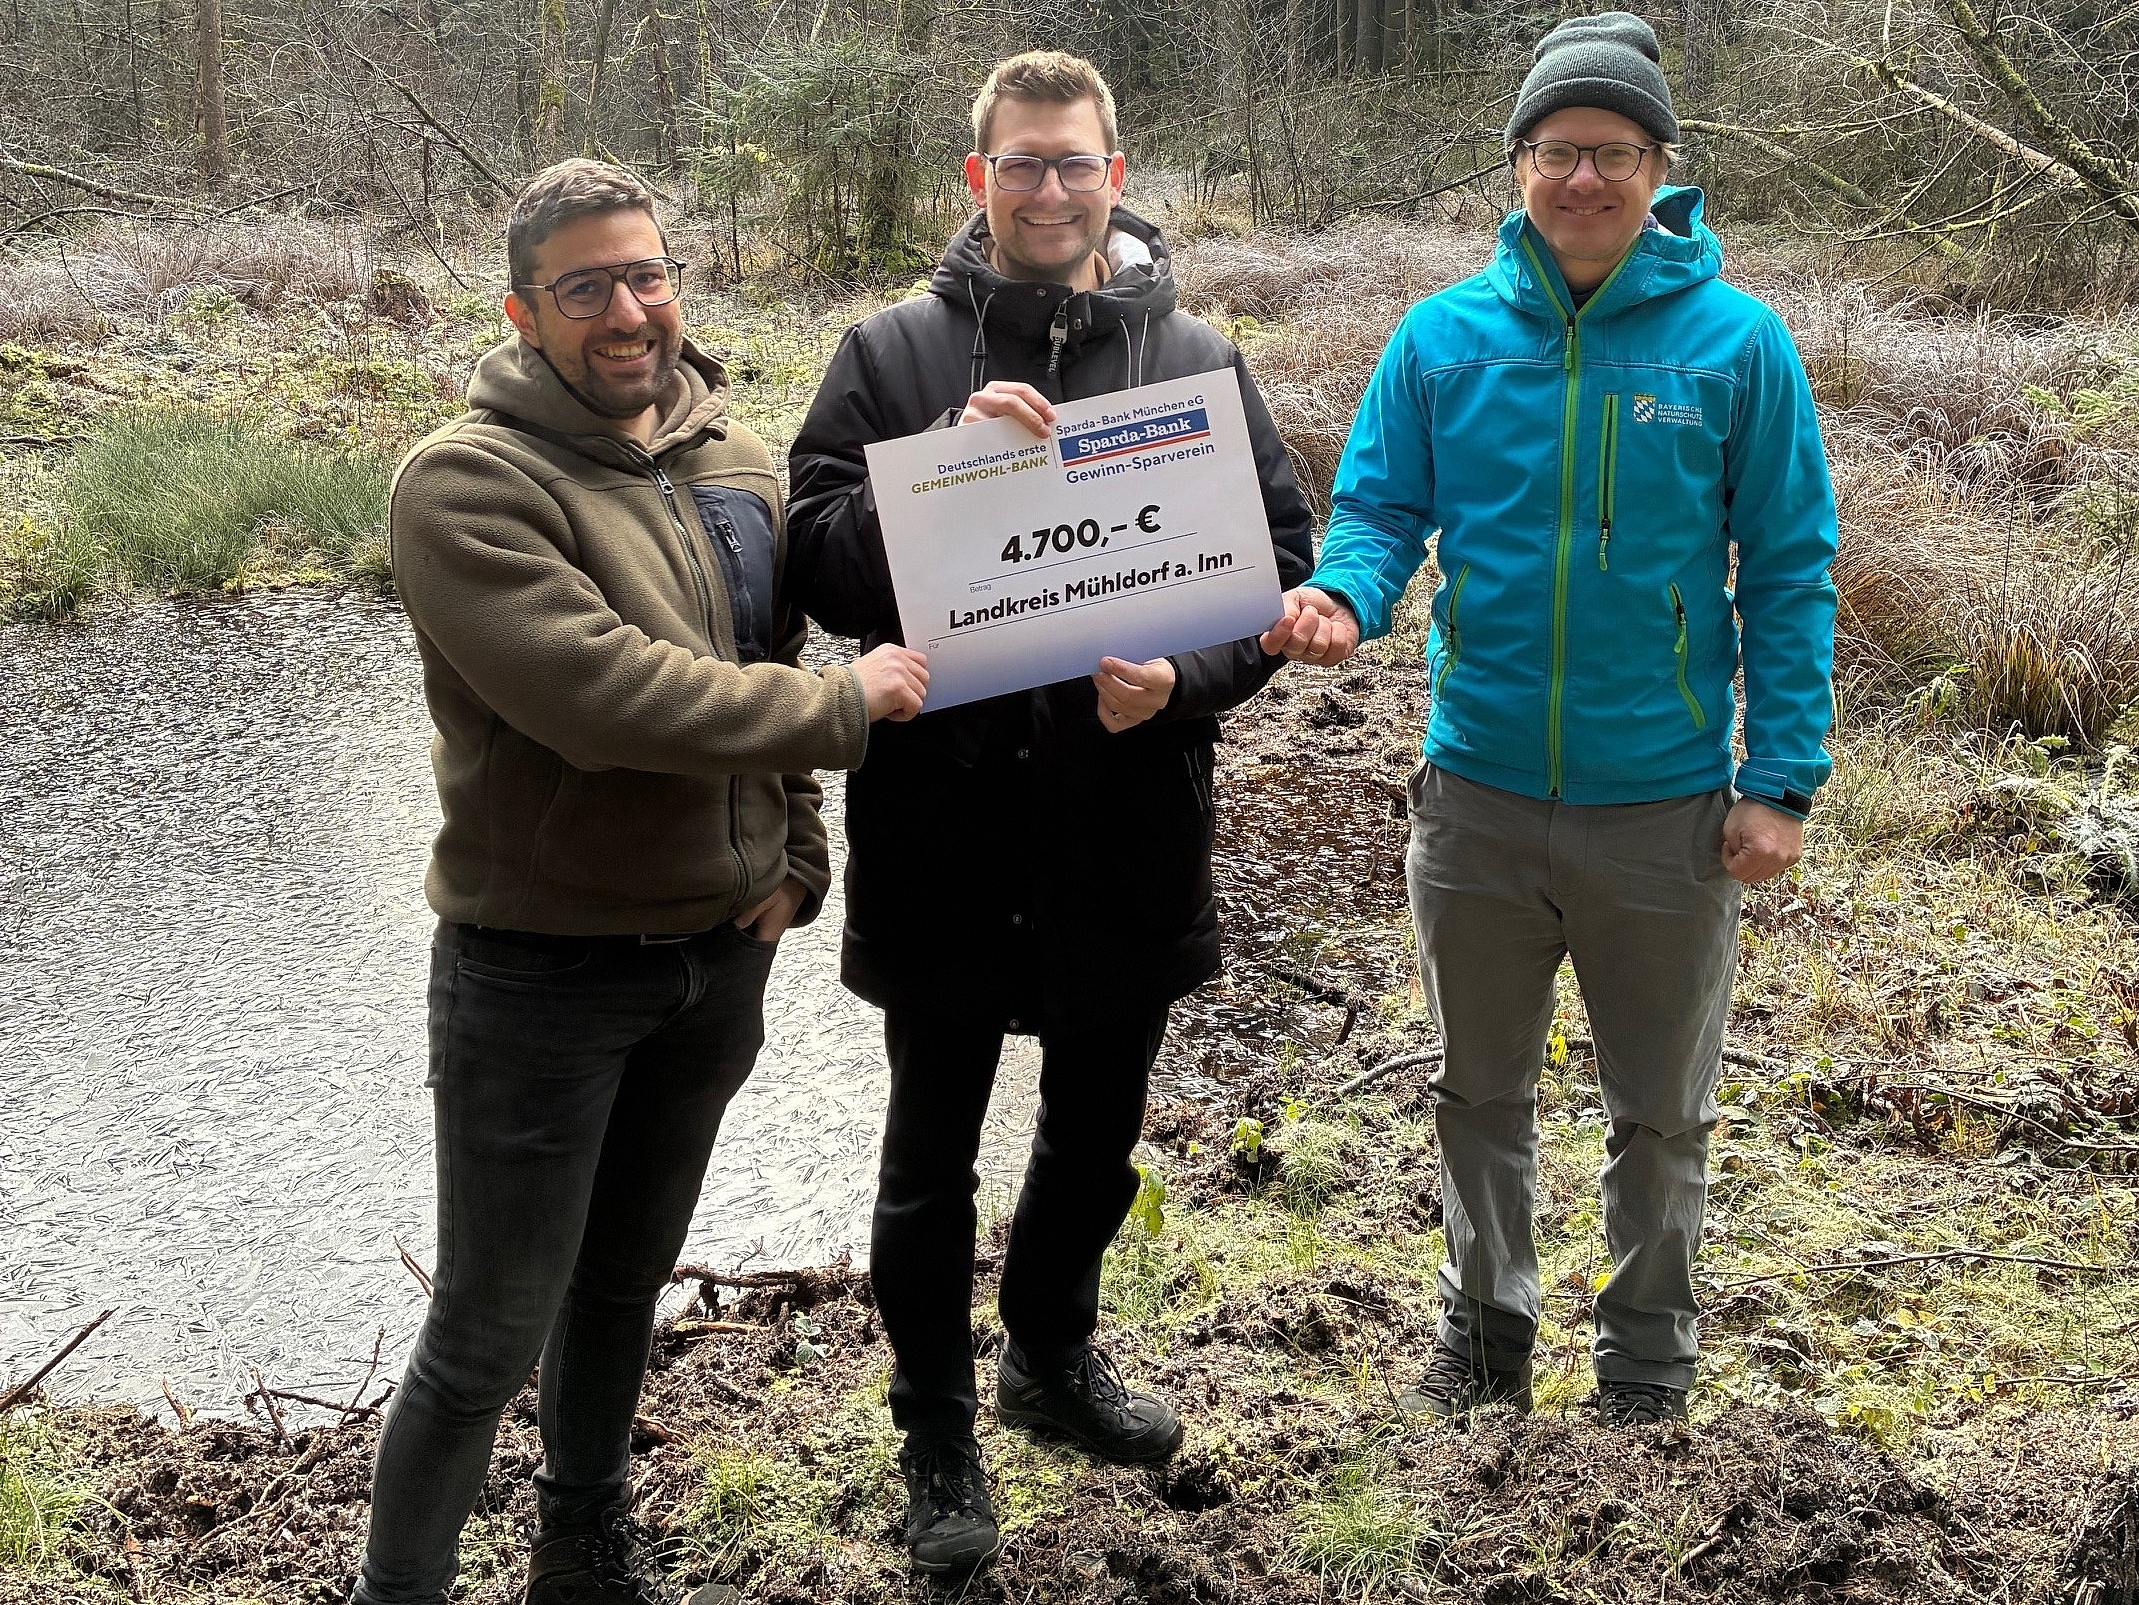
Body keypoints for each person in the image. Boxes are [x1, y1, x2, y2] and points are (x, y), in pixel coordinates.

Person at [352, 157, 928, 1605]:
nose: (629, 309)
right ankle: (399, 1590)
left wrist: (799, 851)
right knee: (489, 1323)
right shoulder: (464, 481)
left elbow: (756, 660)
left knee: (623, 1284)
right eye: (588, 285)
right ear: (525, 311)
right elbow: (606, 699)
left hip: (715, 954)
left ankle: (582, 1550)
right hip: (539, 974)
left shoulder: (733, 461)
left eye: (648, 273)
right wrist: (852, 713)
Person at [1264, 12, 1838, 1428]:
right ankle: (1487, 1325)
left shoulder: (1736, 346)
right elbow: (1380, 507)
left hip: (1665, 808)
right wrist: (1347, 594)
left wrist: (1782, 778)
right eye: (1558, 150)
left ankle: (1646, 1351)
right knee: (1478, 1087)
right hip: (1478, 794)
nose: (1585, 178)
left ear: (1660, 167)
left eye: (1615, 152)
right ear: (1515, 163)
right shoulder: (1445, 339)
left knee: (1663, 1106)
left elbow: (1788, 564)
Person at [786, 50, 1314, 1575]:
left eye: (1072, 163)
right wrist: (942, 471)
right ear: (980, 179)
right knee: (927, 1155)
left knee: (1094, 1136)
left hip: (1126, 827)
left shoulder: (1197, 360)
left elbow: (1276, 561)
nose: (1048, 188)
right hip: (944, 835)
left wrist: (1192, 677)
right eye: (1019, 164)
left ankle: (1049, 1358)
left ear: (1116, 170)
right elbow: (812, 561)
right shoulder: (888, 353)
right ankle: (936, 1426)